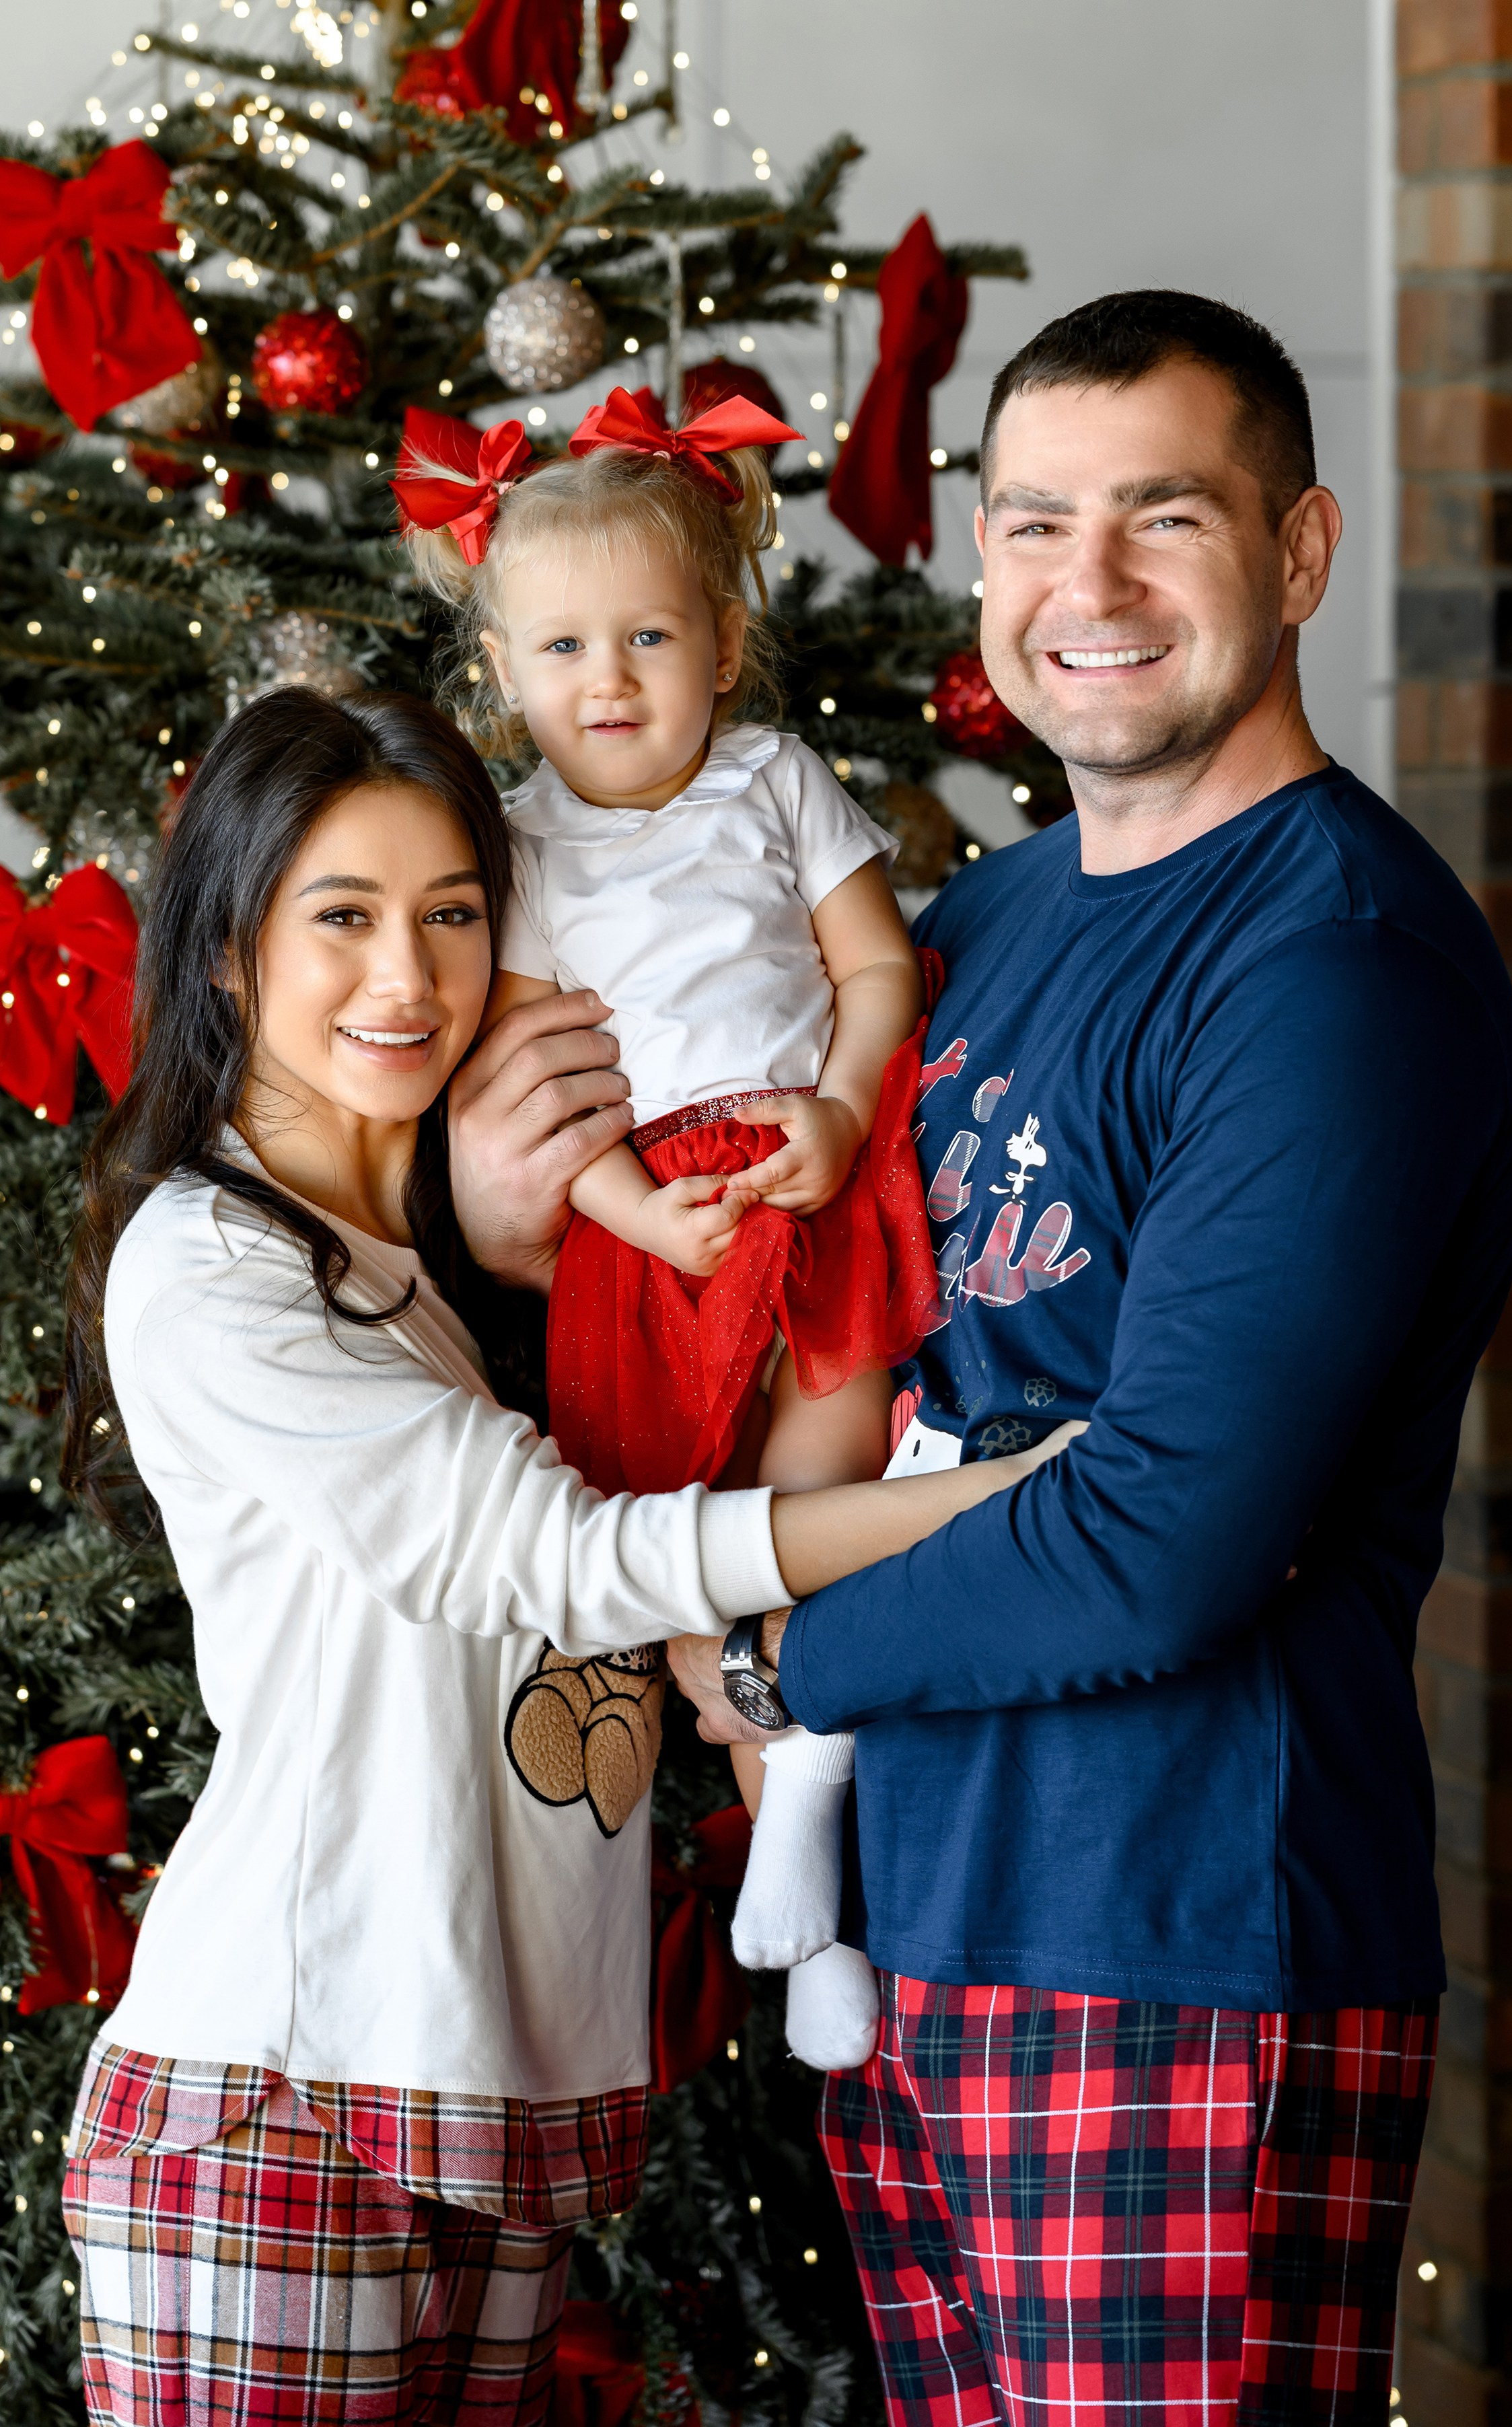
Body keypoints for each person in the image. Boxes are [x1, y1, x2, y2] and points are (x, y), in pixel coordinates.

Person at [655, 293, 1512, 2426]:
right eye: (1036, 522)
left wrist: (773, 1660)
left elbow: (1165, 1536)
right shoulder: (966, 931)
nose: (1092, 586)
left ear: (1303, 552)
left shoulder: (1332, 963)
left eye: (1166, 517)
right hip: (920, 1938)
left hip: (1182, 1943)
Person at [56, 686, 1070, 2427]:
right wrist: (993, 1498)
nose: (409, 978)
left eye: (454, 913)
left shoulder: (436, 1284)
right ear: (226, 950)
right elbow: (555, 1558)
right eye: (343, 917)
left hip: (495, 2097)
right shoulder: (213, 1266)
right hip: (285, 2088)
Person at [399, 386, 943, 2068]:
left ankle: (814, 1835)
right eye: (561, 648)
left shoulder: (776, 782)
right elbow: (526, 1071)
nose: (608, 680)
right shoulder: (522, 851)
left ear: (724, 640)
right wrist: (635, 1205)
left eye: (647, 635)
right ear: (501, 669)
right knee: (673, 1537)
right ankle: (781, 1837)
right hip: (649, 1227)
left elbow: (876, 970)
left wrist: (843, 1113)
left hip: (809, 1173)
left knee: (824, 1484)